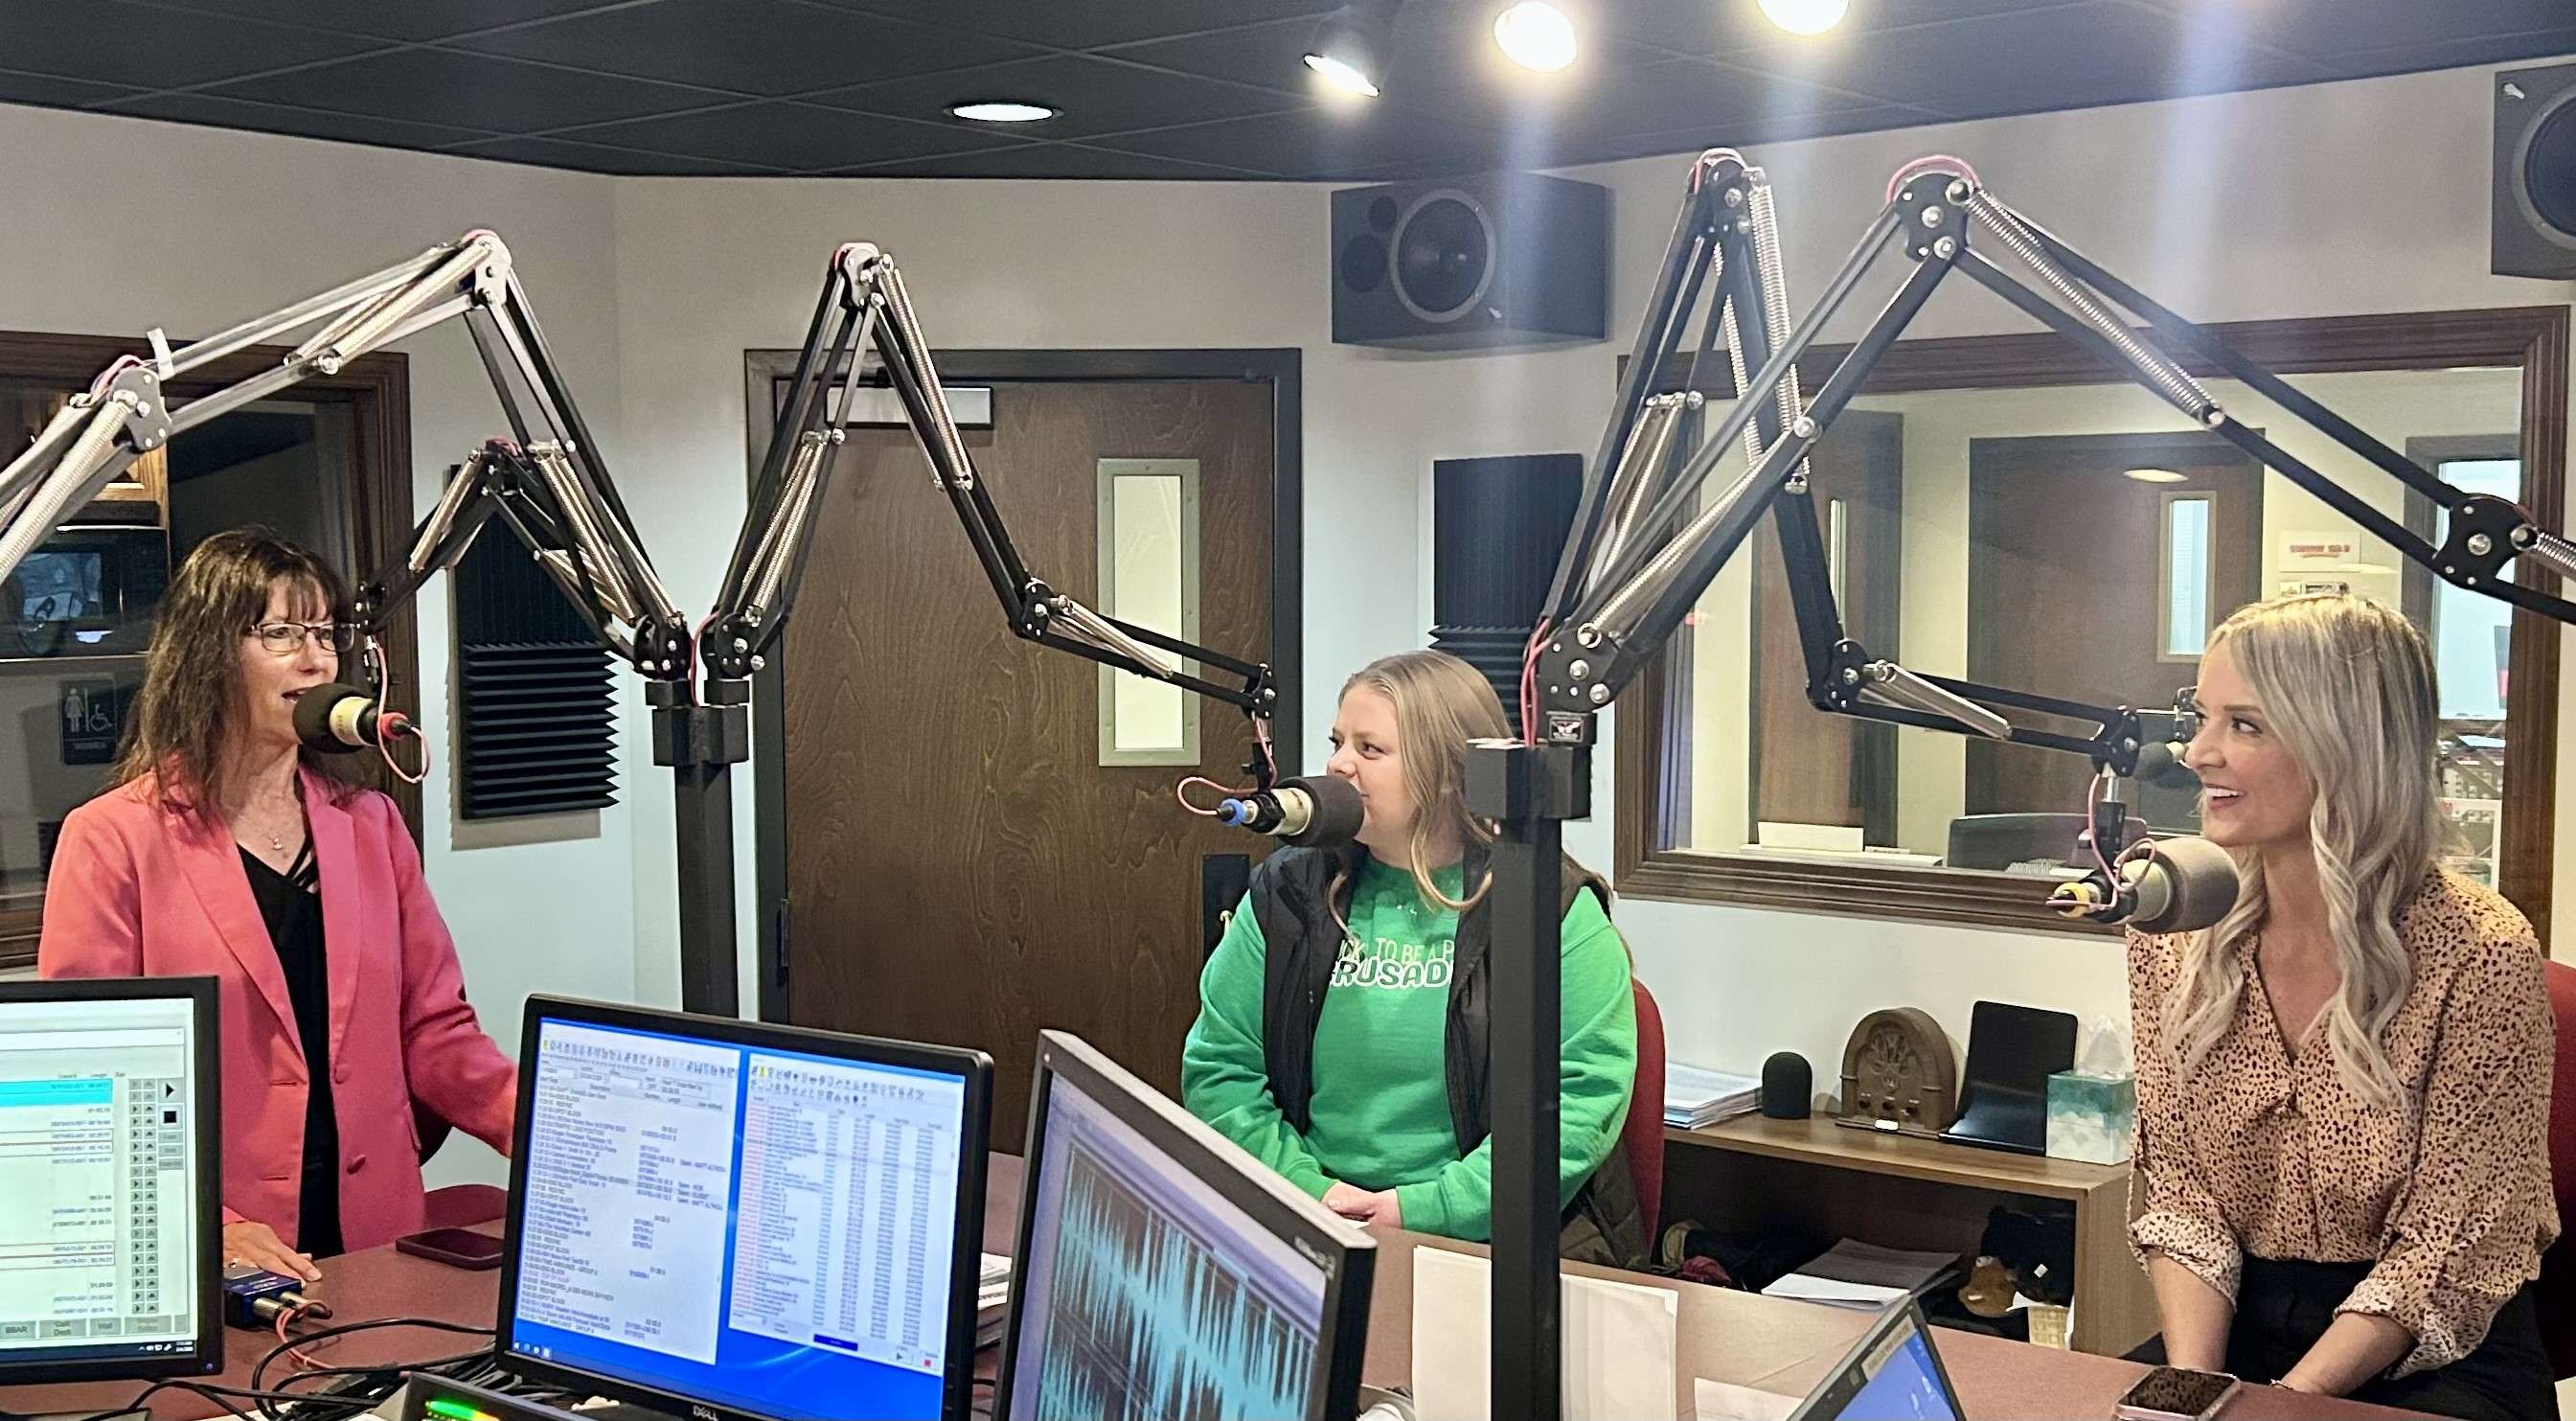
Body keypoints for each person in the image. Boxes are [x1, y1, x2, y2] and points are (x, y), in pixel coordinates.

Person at [40, 528, 517, 1281]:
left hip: (374, 1234)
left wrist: (542, 1124)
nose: (317, 658)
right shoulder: (112, 839)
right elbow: (90, 1084)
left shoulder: (371, 824)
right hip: (220, 1253)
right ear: (207, 653)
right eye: (281, 632)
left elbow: (435, 1028)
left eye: (323, 632)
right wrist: (212, 1228)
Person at [2129, 593, 2555, 1421]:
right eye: (2201, 716)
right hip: (2236, 1332)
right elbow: (2180, 1198)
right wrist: (2193, 1393)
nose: (2197, 752)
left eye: (2244, 725)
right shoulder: (2173, 928)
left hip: (2435, 1352)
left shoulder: (2480, 951)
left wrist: (2286, 1406)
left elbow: (2437, 1253)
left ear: (2345, 744)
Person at [1182, 649, 1644, 1265]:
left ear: (1449, 772)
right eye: (1337, 741)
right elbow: (1220, 1070)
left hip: (1484, 1249)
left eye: (1369, 750)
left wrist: (1427, 1211)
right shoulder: (1287, 894)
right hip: (1309, 1229)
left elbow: (1580, 1102)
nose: (1336, 765)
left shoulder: (1547, 905)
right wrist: (1310, 1195)